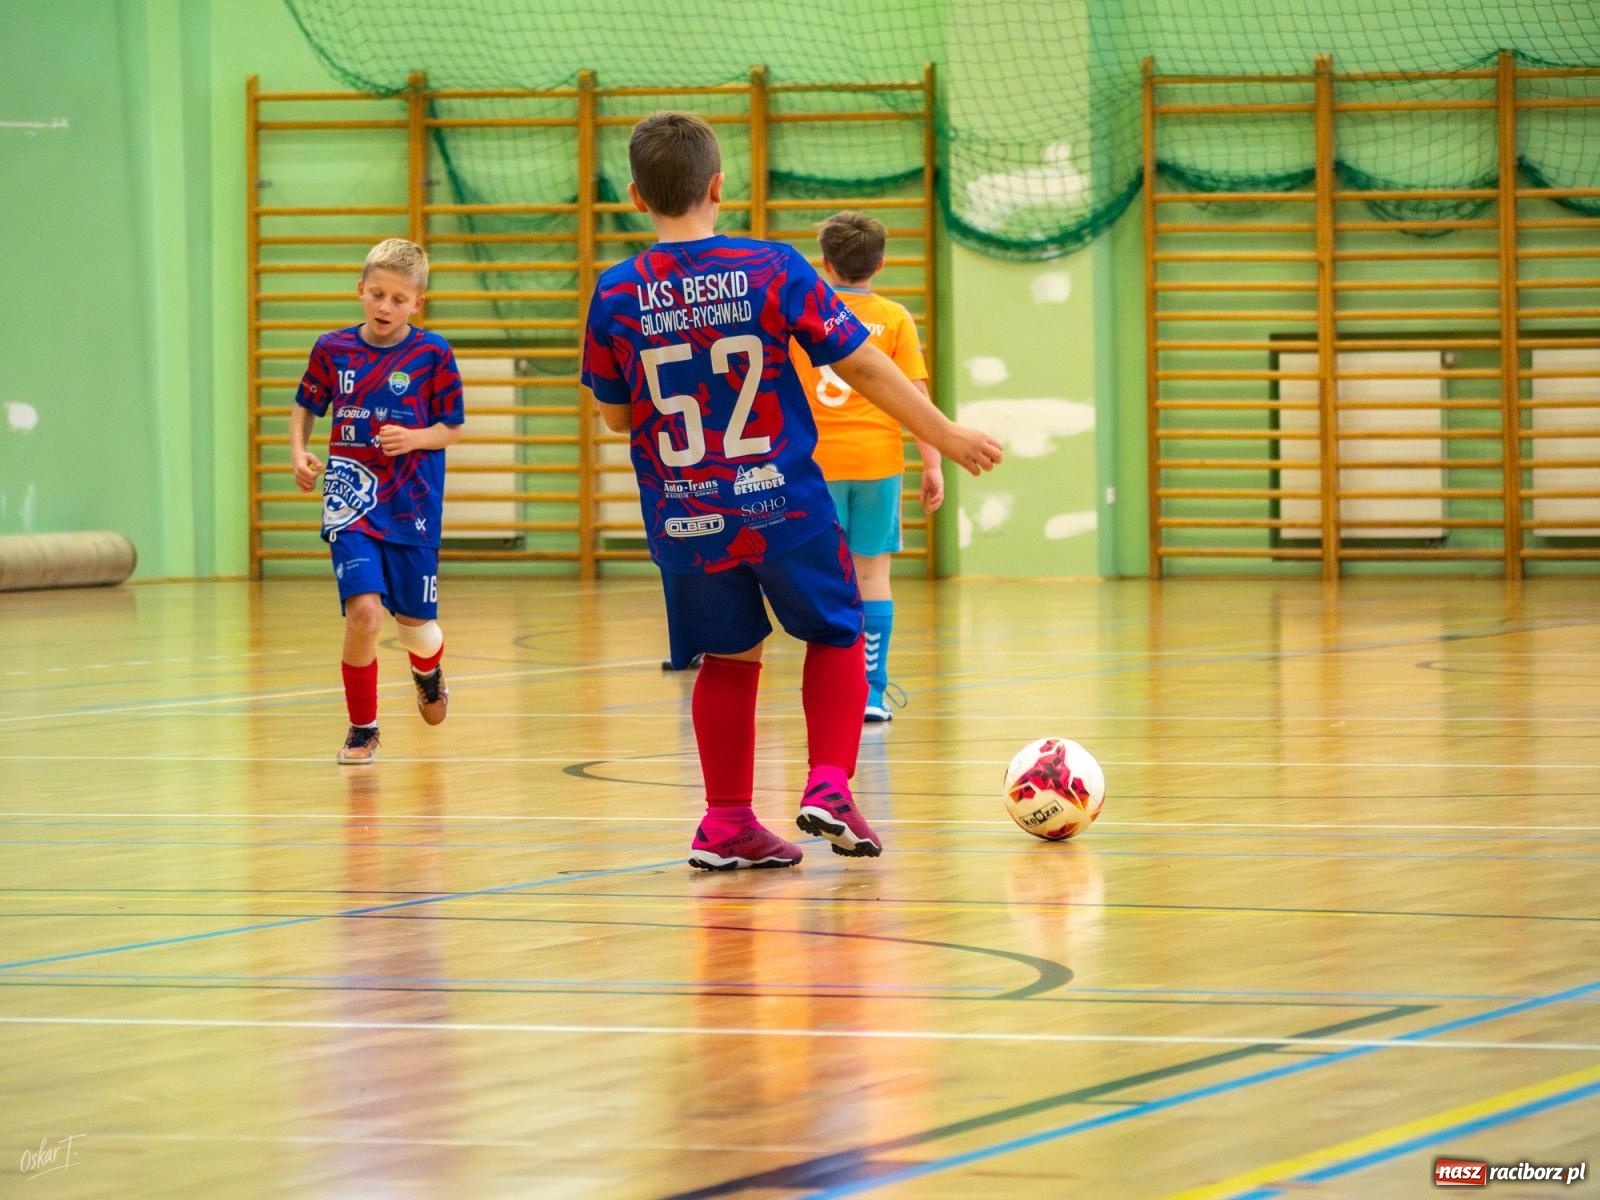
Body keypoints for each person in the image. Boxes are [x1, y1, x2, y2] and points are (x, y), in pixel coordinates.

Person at [581, 112, 1002, 870]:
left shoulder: (614, 293)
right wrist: (943, 434)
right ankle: (830, 785)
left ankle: (725, 822)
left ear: (637, 197)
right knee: (838, 629)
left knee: (729, 657)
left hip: (683, 512)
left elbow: (616, 416)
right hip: (778, 499)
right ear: (719, 186)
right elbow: (864, 366)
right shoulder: (773, 267)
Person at [289, 238, 465, 764]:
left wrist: (414, 438)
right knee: (364, 613)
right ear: (360, 290)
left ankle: (427, 671)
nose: (386, 306)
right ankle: (362, 728)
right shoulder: (332, 349)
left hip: (411, 505)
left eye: (398, 298)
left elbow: (451, 429)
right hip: (350, 501)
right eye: (377, 294)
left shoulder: (433, 354)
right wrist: (300, 453)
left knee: (417, 630)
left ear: (417, 303)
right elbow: (305, 408)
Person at [789, 211, 941, 722]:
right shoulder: (894, 318)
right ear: (881, 263)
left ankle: (835, 690)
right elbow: (915, 395)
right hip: (878, 462)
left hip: (815, 466)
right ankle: (872, 694)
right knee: (873, 576)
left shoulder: (804, 316)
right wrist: (933, 462)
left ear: (824, 263)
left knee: (826, 580)